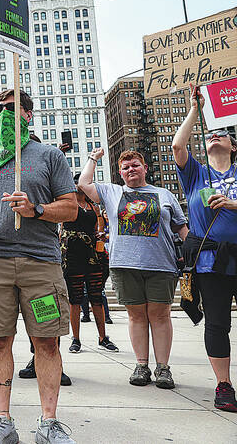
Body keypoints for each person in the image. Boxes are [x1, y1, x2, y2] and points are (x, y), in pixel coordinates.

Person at [0, 89, 78, 444]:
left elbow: (71, 208)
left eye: (12, 108)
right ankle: (2, 421)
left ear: (28, 114)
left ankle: (49, 422)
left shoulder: (50, 156)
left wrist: (36, 209)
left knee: (47, 341)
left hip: (41, 263)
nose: (4, 114)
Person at [79, 147, 188, 389]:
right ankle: (141, 366)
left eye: (135, 165)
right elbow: (84, 184)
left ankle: (163, 368)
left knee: (160, 316)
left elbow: (181, 227)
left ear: (145, 168)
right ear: (120, 173)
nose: (131, 170)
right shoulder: (112, 192)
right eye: (126, 167)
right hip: (124, 265)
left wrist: (193, 256)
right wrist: (93, 158)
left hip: (161, 265)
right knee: (136, 316)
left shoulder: (164, 194)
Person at [173, 84, 237, 411]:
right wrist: (195, 108)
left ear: (233, 146)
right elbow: (177, 145)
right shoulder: (197, 173)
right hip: (211, 261)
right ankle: (224, 385)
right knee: (217, 323)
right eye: (211, 134)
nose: (215, 135)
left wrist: (233, 204)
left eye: (222, 133)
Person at [62, 174, 118, 354]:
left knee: (96, 296)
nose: (79, 186)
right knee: (75, 298)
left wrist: (100, 234)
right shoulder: (68, 203)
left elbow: (97, 227)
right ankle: (76, 339)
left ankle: (103, 338)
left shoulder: (93, 206)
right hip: (72, 254)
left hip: (92, 254)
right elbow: (61, 227)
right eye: (77, 183)